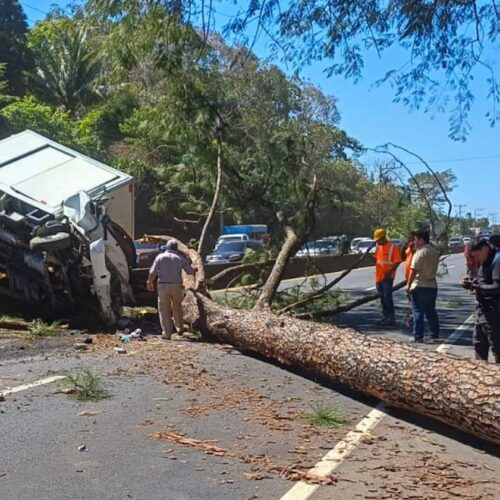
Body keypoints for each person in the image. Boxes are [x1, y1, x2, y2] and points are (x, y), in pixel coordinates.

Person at [460, 239, 500, 363]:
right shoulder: (485, 260)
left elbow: (497, 287)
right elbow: (483, 280)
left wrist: (478, 287)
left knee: (497, 347)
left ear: (485, 248)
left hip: (494, 310)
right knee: (479, 343)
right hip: (482, 308)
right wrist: (470, 282)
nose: (476, 259)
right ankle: (480, 374)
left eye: (477, 255)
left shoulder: (497, 260)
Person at [147, 240, 195, 339]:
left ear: (167, 247)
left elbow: (153, 272)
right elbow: (189, 271)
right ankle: (180, 328)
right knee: (177, 307)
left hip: (163, 286)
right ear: (176, 249)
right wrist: (195, 270)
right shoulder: (179, 258)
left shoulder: (159, 257)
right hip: (177, 285)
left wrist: (149, 282)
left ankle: (167, 333)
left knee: (164, 309)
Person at [406, 230, 440, 342]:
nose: (414, 242)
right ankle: (434, 334)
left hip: (419, 285)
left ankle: (418, 336)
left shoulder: (420, 253)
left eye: (415, 240)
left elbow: (413, 270)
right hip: (432, 285)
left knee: (418, 312)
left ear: (421, 240)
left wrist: (408, 285)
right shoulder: (434, 252)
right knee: (431, 311)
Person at [373, 228, 402, 325]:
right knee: (382, 298)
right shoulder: (378, 248)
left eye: (378, 240)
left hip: (387, 278)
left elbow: (397, 261)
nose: (377, 242)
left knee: (387, 297)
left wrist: (390, 272)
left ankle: (391, 318)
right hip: (379, 277)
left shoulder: (393, 247)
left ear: (383, 238)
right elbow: (378, 260)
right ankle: (385, 317)